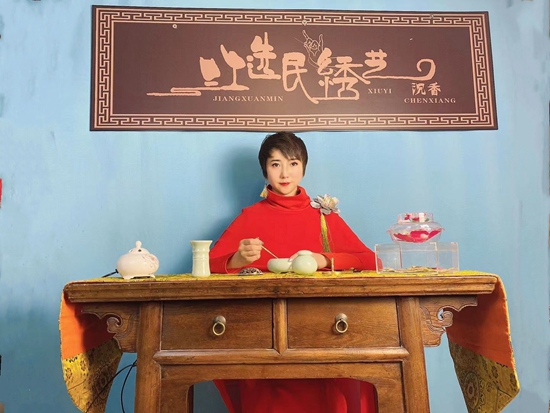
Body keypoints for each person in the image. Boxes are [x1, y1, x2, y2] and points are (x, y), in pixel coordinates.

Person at [209, 131, 378, 413]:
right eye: (275, 164)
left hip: (320, 328)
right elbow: (207, 265)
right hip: (265, 332)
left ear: (303, 168)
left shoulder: (323, 216)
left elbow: (370, 260)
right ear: (265, 170)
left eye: (293, 163)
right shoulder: (250, 216)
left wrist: (323, 259)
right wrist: (237, 259)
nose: (285, 173)